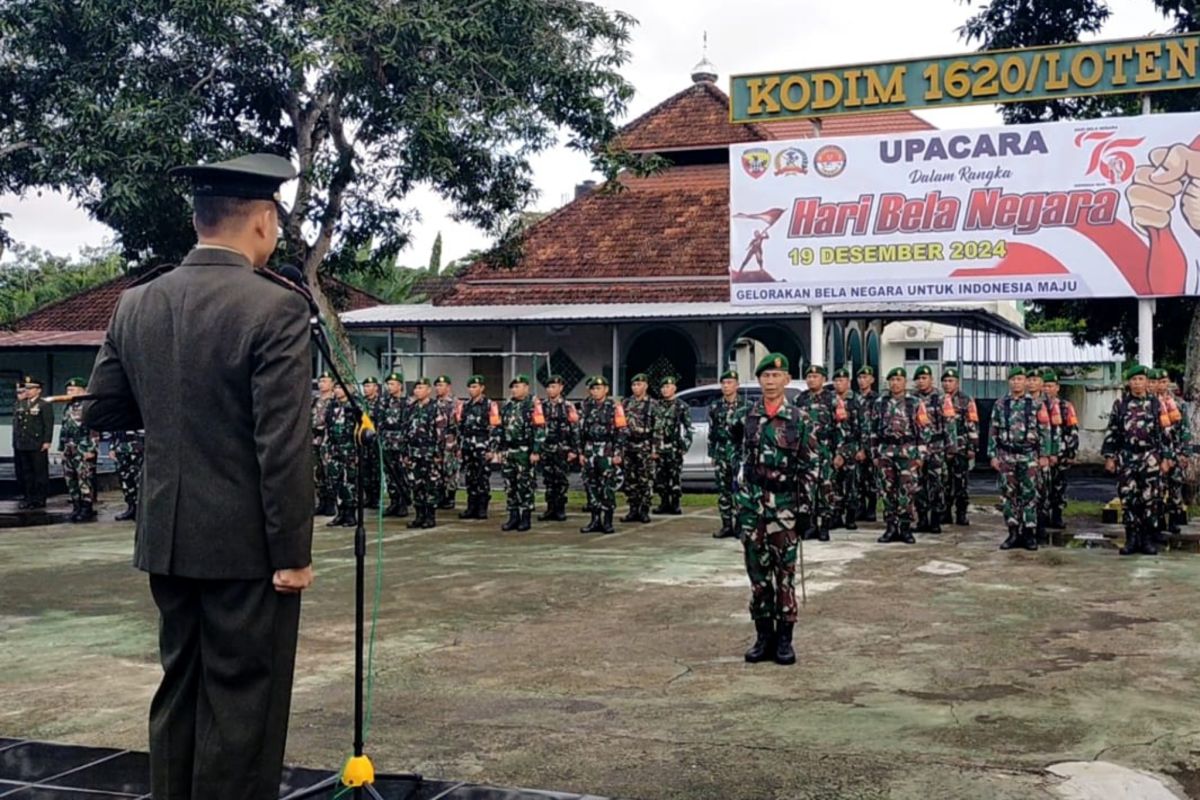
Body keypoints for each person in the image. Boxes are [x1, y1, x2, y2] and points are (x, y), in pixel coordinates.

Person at [83, 153, 314, 800]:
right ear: (264, 221)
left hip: (168, 538)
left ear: (198, 219)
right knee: (243, 708)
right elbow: (283, 444)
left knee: (179, 690)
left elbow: (103, 409)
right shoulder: (276, 309)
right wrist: (293, 552)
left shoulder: (136, 303)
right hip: (246, 549)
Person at [736, 353, 814, 666]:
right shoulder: (748, 417)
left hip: (785, 509)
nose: (770, 382)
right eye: (765, 376)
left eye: (775, 377)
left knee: (784, 576)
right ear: (759, 381)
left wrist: (807, 509)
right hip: (753, 508)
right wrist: (738, 507)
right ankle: (762, 637)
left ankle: (785, 640)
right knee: (757, 577)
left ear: (786, 380)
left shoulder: (799, 418)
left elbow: (811, 465)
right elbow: (741, 464)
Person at [1103, 365, 1174, 555]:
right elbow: (1112, 432)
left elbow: (1166, 433)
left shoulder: (1156, 404)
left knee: (1150, 500)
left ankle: (1147, 539)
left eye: (1140, 379)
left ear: (1146, 382)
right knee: (1129, 500)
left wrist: (1167, 458)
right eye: (1133, 380)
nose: (1137, 383)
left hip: (1150, 457)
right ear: (1129, 382)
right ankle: (1131, 539)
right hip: (1127, 458)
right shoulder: (1121, 404)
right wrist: (1110, 456)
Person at [989, 367, 1053, 551]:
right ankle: (1013, 532)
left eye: (1020, 379)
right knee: (1008, 495)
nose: (1017, 382)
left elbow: (1045, 430)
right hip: (1007, 455)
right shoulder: (1000, 404)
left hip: (1029, 455)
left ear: (1025, 382)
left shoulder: (1036, 404)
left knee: (1030, 495)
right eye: (1013, 379)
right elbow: (993, 430)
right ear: (1009, 382)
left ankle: (1029, 534)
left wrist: (1044, 455)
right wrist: (992, 455)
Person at [870, 368, 931, 544]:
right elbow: (872, 430)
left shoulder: (915, 402)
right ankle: (890, 527)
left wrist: (921, 454)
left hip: (908, 451)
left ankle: (905, 527)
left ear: (905, 382)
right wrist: (874, 453)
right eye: (892, 380)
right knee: (887, 491)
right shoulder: (880, 403)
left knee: (907, 491)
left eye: (898, 379)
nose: (895, 383)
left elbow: (924, 430)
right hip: (886, 452)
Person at [793, 364, 841, 541]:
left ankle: (825, 526)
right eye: (809, 376)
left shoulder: (833, 399)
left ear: (822, 379)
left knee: (826, 488)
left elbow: (841, 428)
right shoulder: (799, 399)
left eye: (815, 376)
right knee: (806, 489)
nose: (811, 379)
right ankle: (810, 525)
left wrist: (840, 453)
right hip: (805, 452)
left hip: (825, 450)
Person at [495, 374, 546, 532]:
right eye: (513, 387)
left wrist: (536, 451)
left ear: (526, 387)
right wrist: (499, 448)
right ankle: (513, 516)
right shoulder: (508, 405)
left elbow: (540, 429)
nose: (514, 390)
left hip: (525, 450)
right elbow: (500, 428)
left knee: (525, 484)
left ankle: (526, 517)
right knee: (510, 485)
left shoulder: (533, 405)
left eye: (518, 386)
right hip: (509, 450)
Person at [578, 375, 627, 534]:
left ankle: (607, 521)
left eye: (598, 388)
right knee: (591, 485)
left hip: (607, 449)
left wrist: (618, 453)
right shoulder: (586, 407)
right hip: (590, 449)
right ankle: (594, 520)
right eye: (593, 388)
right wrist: (581, 452)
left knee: (607, 486)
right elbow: (579, 431)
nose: (595, 391)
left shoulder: (614, 407)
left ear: (606, 389)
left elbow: (621, 431)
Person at [708, 369, 747, 539]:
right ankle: (726, 524)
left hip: (739, 453)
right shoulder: (715, 406)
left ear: (737, 385)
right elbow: (712, 432)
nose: (726, 386)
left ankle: (740, 525)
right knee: (724, 491)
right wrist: (712, 454)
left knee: (740, 490)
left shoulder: (747, 406)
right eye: (723, 383)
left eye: (730, 382)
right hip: (722, 452)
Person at [405, 377, 449, 529]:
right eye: (416, 388)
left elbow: (441, 433)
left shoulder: (435, 408)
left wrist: (438, 454)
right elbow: (406, 431)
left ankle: (430, 516)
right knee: (416, 485)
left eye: (421, 388)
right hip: (414, 452)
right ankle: (419, 515)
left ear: (429, 390)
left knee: (430, 484)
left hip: (430, 452)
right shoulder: (411, 408)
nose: (418, 391)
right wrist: (406, 453)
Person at [910, 365, 948, 534]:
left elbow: (949, 424)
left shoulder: (940, 398)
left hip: (935, 447)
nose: (921, 381)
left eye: (924, 378)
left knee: (936, 484)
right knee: (918, 485)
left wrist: (951, 447)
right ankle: (922, 518)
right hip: (916, 448)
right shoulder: (910, 399)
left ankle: (935, 519)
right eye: (918, 378)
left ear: (931, 379)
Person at [1025, 367, 1062, 542]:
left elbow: (1055, 429)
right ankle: (1026, 527)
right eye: (1029, 380)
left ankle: (1040, 525)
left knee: (1042, 491)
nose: (1032, 383)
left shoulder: (1050, 404)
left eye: (1035, 380)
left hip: (1042, 454)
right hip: (1026, 455)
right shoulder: (1021, 401)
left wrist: (1052, 452)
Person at [941, 367, 979, 526]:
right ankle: (945, 512)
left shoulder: (966, 399)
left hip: (961, 447)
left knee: (961, 483)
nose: (947, 384)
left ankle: (961, 513)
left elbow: (973, 423)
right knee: (944, 482)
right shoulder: (939, 399)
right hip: (942, 448)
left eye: (951, 381)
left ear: (957, 382)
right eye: (945, 381)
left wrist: (973, 447)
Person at [539, 375, 579, 522]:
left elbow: (575, 429)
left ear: (561, 388)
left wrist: (574, 450)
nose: (551, 390)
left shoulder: (568, 406)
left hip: (562, 448)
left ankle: (560, 509)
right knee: (548, 480)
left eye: (554, 387)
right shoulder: (541, 406)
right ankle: (550, 508)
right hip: (547, 447)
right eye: (549, 387)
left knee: (561, 479)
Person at [59, 377, 100, 523]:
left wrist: (92, 449)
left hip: (83, 448)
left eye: (72, 389)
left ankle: (86, 507)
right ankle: (76, 506)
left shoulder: (88, 406)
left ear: (83, 390)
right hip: (69, 447)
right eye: (68, 389)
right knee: (71, 479)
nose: (69, 392)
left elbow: (94, 429)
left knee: (84, 479)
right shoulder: (69, 406)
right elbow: (64, 429)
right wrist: (61, 448)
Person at [458, 374, 499, 520]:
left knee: (482, 477)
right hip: (468, 446)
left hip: (482, 445)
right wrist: (460, 446)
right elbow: (461, 427)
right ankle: (471, 506)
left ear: (482, 388)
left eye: (475, 387)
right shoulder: (466, 405)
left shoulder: (490, 405)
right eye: (470, 387)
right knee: (470, 477)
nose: (471, 390)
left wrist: (492, 449)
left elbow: (495, 427)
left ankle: (482, 507)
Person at [651, 375, 693, 515]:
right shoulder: (657, 406)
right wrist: (654, 448)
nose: (665, 390)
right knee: (660, 477)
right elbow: (653, 428)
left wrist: (684, 446)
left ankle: (675, 504)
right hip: (660, 448)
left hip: (674, 447)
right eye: (663, 387)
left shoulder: (681, 406)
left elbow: (689, 429)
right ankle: (664, 502)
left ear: (674, 388)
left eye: (668, 387)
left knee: (674, 477)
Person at [1043, 371, 1079, 531]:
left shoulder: (1066, 407)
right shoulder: (1037, 405)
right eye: (1044, 386)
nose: (1047, 389)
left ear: (1057, 388)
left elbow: (1072, 430)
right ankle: (1042, 517)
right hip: (1043, 453)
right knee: (1042, 486)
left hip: (1061, 454)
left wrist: (1071, 452)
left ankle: (1057, 516)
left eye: (1050, 386)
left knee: (1059, 486)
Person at [830, 368, 864, 531]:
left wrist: (862, 449)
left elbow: (864, 427)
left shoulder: (856, 401)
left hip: (851, 446)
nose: (839, 384)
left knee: (851, 483)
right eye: (836, 381)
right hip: (833, 447)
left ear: (848, 382)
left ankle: (851, 516)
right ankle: (836, 514)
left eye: (842, 380)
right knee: (835, 482)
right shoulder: (830, 400)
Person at [14, 376, 53, 509]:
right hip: (23, 443)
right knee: (27, 473)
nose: (28, 391)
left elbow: (48, 424)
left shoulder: (44, 405)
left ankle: (40, 498)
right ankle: (29, 498)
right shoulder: (21, 404)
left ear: (39, 390)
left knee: (39, 472)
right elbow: (18, 425)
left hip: (37, 443)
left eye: (31, 388)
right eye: (27, 388)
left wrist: (47, 440)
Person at [621, 373, 655, 523]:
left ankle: (644, 510)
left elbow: (657, 429)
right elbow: (620, 425)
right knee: (630, 480)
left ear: (646, 386)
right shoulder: (626, 403)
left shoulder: (653, 405)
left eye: (639, 384)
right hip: (629, 446)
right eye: (634, 385)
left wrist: (655, 449)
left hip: (645, 446)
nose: (636, 387)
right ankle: (632, 509)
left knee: (645, 480)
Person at [324, 383, 358, 527]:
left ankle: (350, 513)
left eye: (340, 388)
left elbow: (362, 428)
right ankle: (340, 513)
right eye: (336, 388)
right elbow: (327, 426)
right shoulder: (332, 406)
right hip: (334, 448)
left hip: (349, 448)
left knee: (349, 482)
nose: (337, 391)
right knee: (334, 481)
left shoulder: (355, 406)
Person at [378, 372, 411, 518]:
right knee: (389, 474)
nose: (389, 387)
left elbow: (409, 425)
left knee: (401, 473)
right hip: (386, 442)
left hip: (400, 443)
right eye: (388, 384)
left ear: (399, 385)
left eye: (392, 384)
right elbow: (379, 422)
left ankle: (403, 502)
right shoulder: (384, 402)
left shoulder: (407, 403)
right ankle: (394, 501)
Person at [855, 366, 879, 521]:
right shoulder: (854, 399)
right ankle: (860, 507)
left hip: (872, 444)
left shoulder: (877, 400)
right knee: (858, 478)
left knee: (872, 478)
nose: (862, 381)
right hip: (857, 444)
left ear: (872, 380)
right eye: (860, 378)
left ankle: (871, 508)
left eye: (865, 377)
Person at [434, 375, 461, 510]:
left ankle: (450, 497)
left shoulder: (455, 403)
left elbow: (459, 424)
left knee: (450, 470)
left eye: (441, 385)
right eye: (437, 385)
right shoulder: (433, 404)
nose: (438, 388)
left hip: (451, 441)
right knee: (437, 470)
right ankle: (439, 495)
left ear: (448, 387)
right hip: (437, 440)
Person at [312, 370, 336, 516]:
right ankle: (322, 501)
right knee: (317, 473)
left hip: (328, 440)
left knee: (329, 472)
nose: (322, 384)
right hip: (314, 440)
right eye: (320, 381)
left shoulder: (334, 401)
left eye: (325, 381)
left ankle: (331, 502)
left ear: (332, 384)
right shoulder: (315, 400)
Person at [360, 377, 383, 511]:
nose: (366, 389)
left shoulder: (381, 403)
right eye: (365, 386)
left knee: (376, 470)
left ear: (376, 387)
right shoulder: (362, 403)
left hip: (376, 441)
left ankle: (376, 498)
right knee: (365, 470)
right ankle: (368, 496)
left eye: (369, 386)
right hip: (364, 441)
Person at [111, 429, 145, 521]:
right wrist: (112, 447)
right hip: (121, 449)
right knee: (125, 480)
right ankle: (131, 508)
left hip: (138, 448)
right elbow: (114, 429)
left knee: (138, 479)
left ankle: (141, 509)